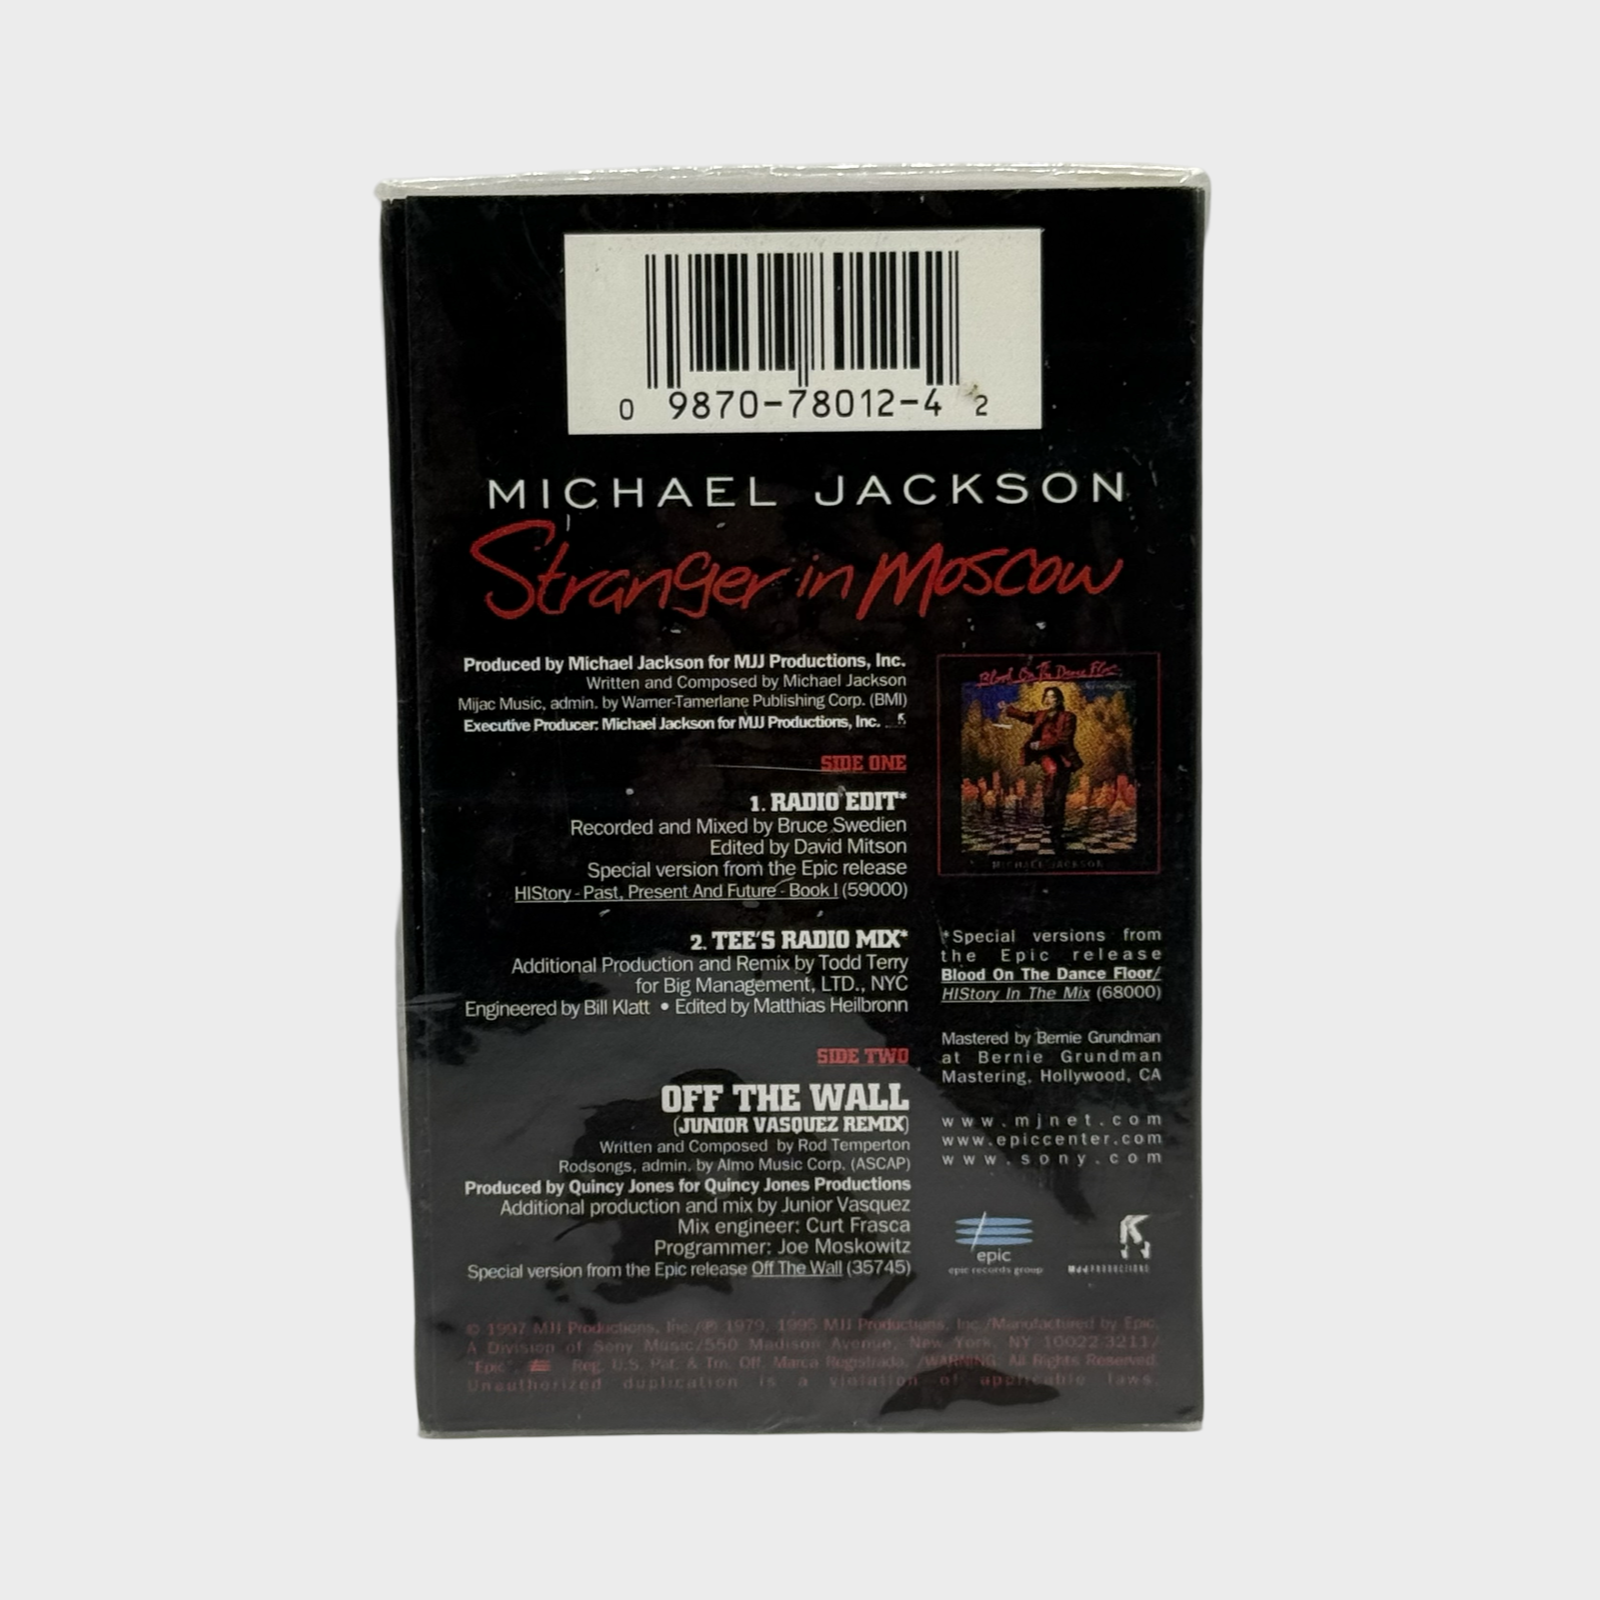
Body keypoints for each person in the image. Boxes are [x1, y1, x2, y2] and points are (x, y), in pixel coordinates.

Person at [1003, 686, 1082, 851]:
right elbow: (1026, 716)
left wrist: (1041, 743)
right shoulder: (1041, 715)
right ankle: (1047, 805)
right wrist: (1008, 709)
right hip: (1045, 755)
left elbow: (1064, 740)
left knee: (1060, 799)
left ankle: (1056, 833)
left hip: (1064, 757)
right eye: (1046, 696)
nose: (1049, 699)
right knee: (1052, 772)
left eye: (1052, 696)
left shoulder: (1069, 717)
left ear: (1059, 699)